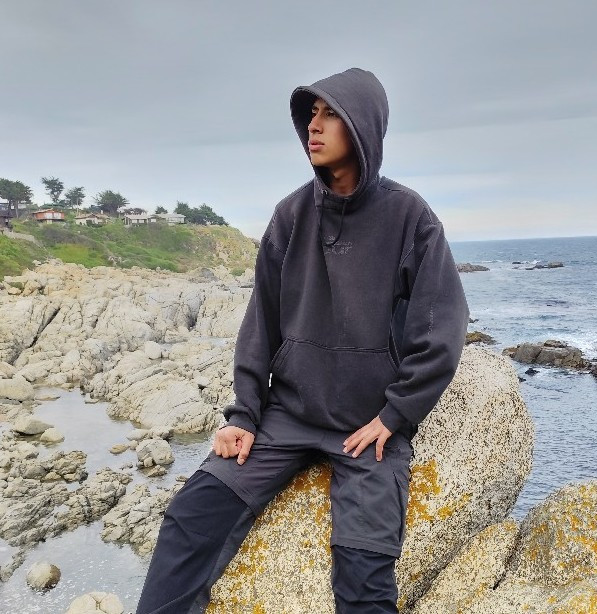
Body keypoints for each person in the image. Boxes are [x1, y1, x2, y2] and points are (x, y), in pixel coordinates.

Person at [135, 67, 469, 614]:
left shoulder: (410, 217)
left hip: (366, 427)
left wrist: (395, 415)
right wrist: (244, 415)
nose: (314, 126)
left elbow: (442, 327)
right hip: (286, 417)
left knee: (364, 573)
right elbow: (261, 323)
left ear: (363, 126)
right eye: (311, 114)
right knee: (190, 517)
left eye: (330, 114)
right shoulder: (291, 215)